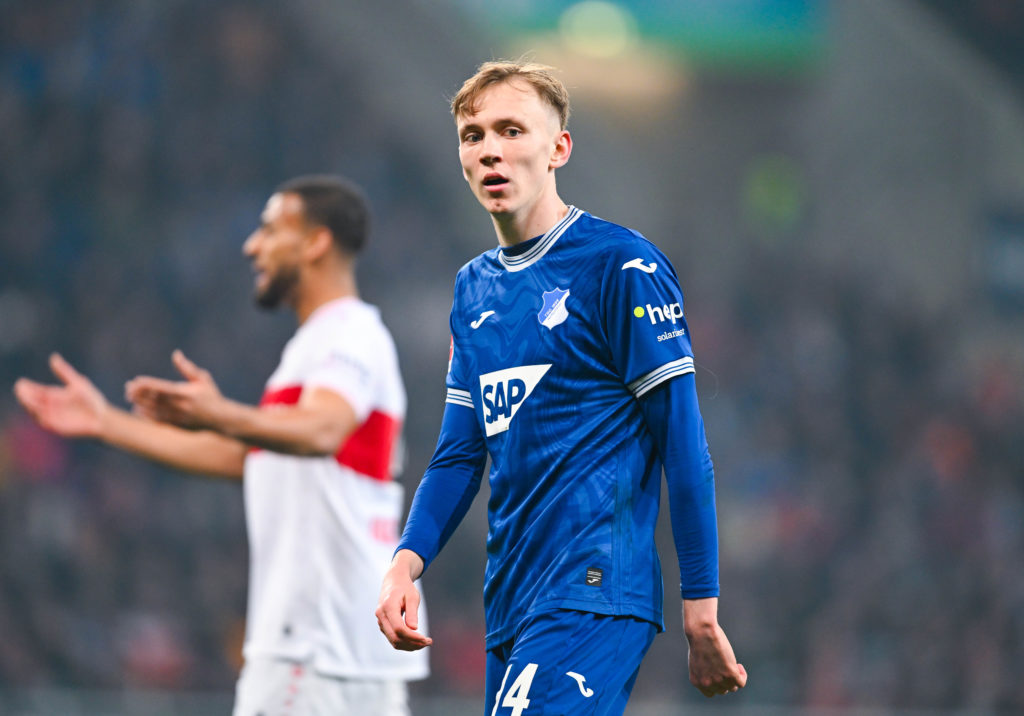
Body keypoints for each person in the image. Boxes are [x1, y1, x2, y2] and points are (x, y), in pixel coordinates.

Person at [375, 61, 746, 714]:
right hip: (512, 597)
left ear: (558, 149)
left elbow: (684, 446)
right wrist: (407, 562)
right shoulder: (474, 290)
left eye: (512, 130)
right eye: (472, 134)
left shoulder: (621, 266)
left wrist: (702, 606)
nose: (489, 148)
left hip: (592, 588)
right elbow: (461, 454)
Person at [14, 175, 428, 716]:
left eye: (270, 229)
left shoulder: (348, 335)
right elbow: (251, 457)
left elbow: (322, 430)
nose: (251, 245)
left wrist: (218, 412)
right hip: (343, 639)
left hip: (314, 641)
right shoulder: (318, 344)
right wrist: (107, 423)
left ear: (316, 243)